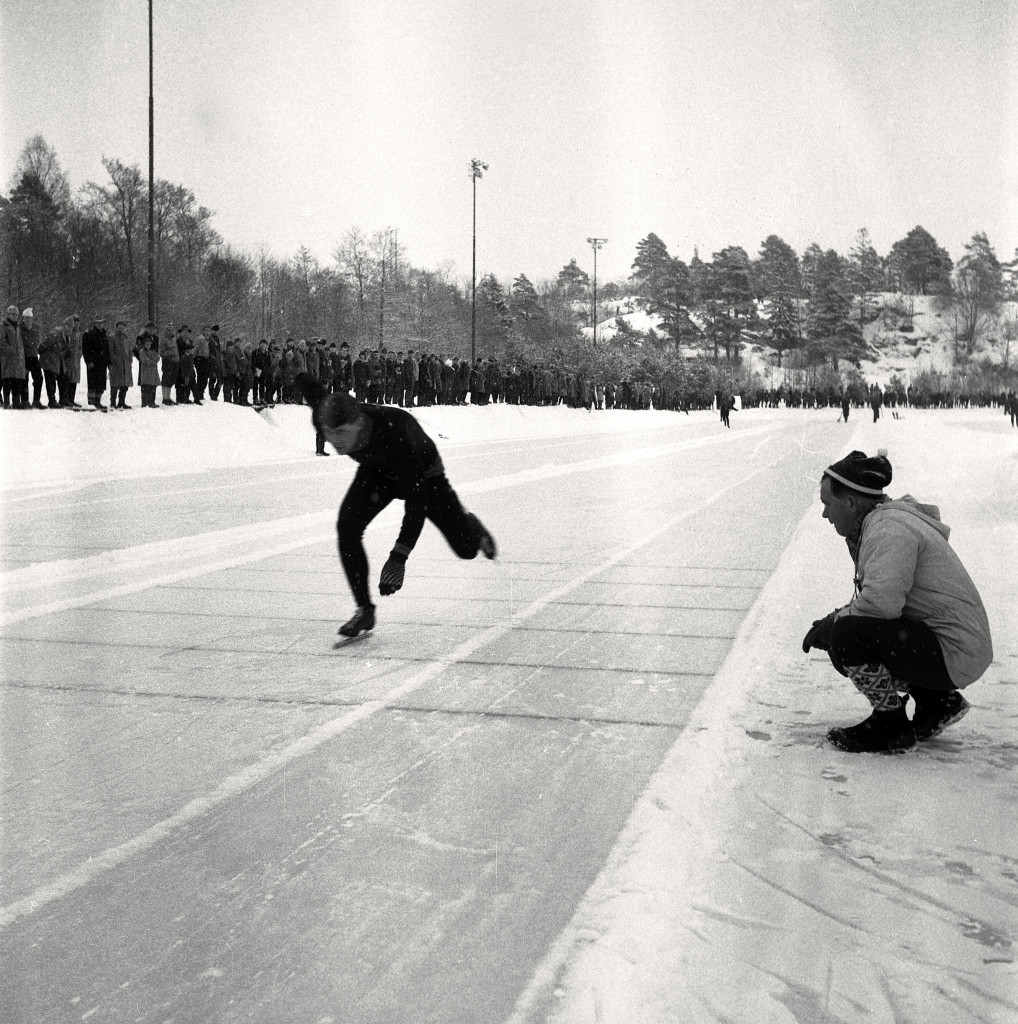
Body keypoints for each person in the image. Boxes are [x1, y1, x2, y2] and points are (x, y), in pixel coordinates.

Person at [802, 449, 992, 754]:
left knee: (847, 636)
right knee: (848, 631)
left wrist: (835, 622)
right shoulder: (881, 523)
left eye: (827, 504)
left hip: (954, 650)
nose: (825, 513)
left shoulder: (888, 529)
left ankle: (889, 724)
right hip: (956, 646)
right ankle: (937, 703)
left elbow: (881, 606)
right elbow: (886, 601)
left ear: (850, 502)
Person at [296, 372, 497, 638]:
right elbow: (313, 389)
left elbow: (416, 502)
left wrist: (398, 557)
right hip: (377, 472)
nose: (336, 441)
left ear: (358, 423)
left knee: (466, 550)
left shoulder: (394, 431)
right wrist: (297, 374)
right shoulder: (325, 413)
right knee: (347, 526)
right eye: (329, 433)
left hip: (425, 476)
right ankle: (364, 610)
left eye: (342, 432)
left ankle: (472, 526)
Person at [81, 315, 111, 410]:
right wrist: (88, 361)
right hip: (93, 363)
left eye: (101, 323)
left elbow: (107, 350)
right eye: (98, 323)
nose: (100, 324)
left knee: (101, 384)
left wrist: (109, 363)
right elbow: (85, 350)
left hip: (102, 363)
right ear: (94, 323)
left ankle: (98, 401)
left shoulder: (104, 335)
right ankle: (91, 402)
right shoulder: (89, 334)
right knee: (93, 383)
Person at [1, 304, 26, 408]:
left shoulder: (18, 327)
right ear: (8, 314)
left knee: (17, 380)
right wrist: (10, 350)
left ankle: (16, 402)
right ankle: (6, 402)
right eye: (13, 314)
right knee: (7, 379)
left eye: (17, 314)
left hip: (18, 358)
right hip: (7, 358)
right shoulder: (3, 325)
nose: (15, 316)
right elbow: (1, 341)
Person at [108, 319, 134, 408]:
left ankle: (121, 402)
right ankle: (113, 402)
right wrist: (115, 360)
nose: (121, 329)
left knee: (124, 384)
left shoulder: (126, 338)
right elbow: (111, 351)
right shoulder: (112, 337)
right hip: (116, 365)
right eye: (119, 327)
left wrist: (130, 359)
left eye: (123, 328)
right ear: (116, 328)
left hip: (126, 364)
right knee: (115, 384)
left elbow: (130, 349)